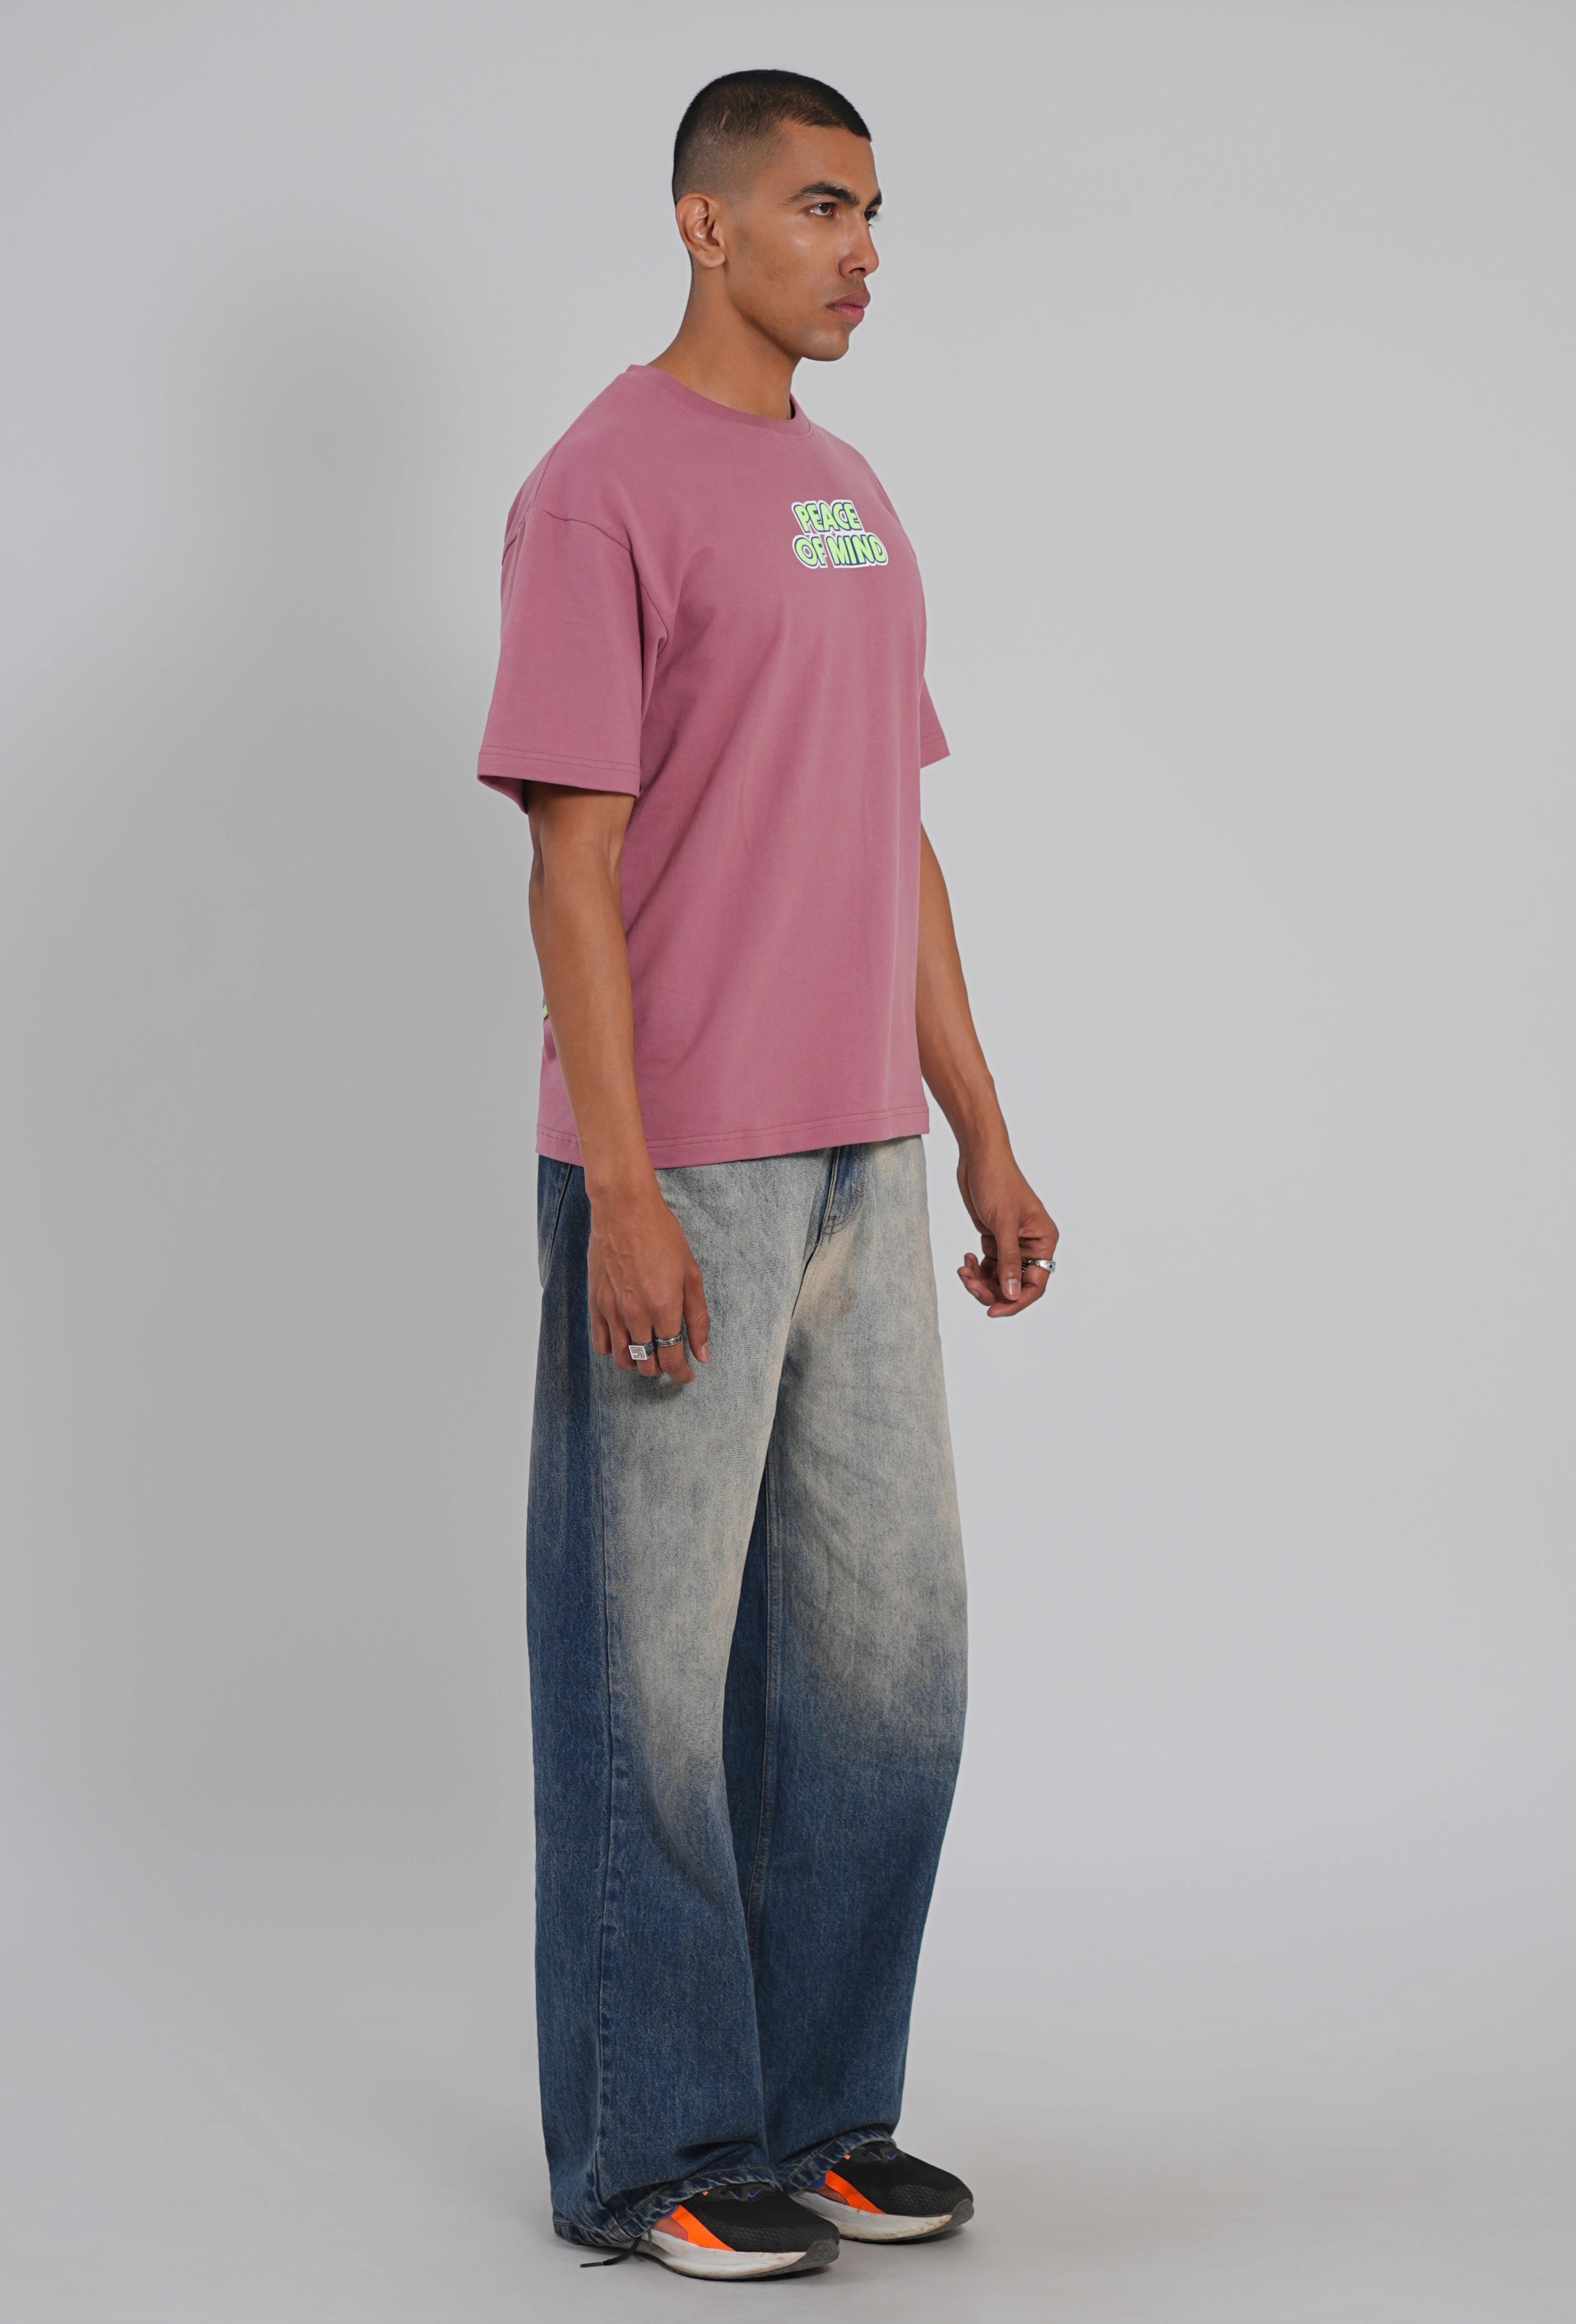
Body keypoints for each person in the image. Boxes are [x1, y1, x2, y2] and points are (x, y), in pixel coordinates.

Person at [477, 68, 1058, 2281]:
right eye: (823, 207)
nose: (865, 250)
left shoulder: (852, 495)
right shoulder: (597, 490)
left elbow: (895, 833)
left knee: (881, 1669)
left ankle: (821, 2115)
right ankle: (653, 2153)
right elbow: (573, 860)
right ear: (706, 224)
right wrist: (621, 1187)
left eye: (876, 211)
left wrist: (982, 1125)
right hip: (683, 1169)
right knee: (649, 1683)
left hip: (861, 1164)